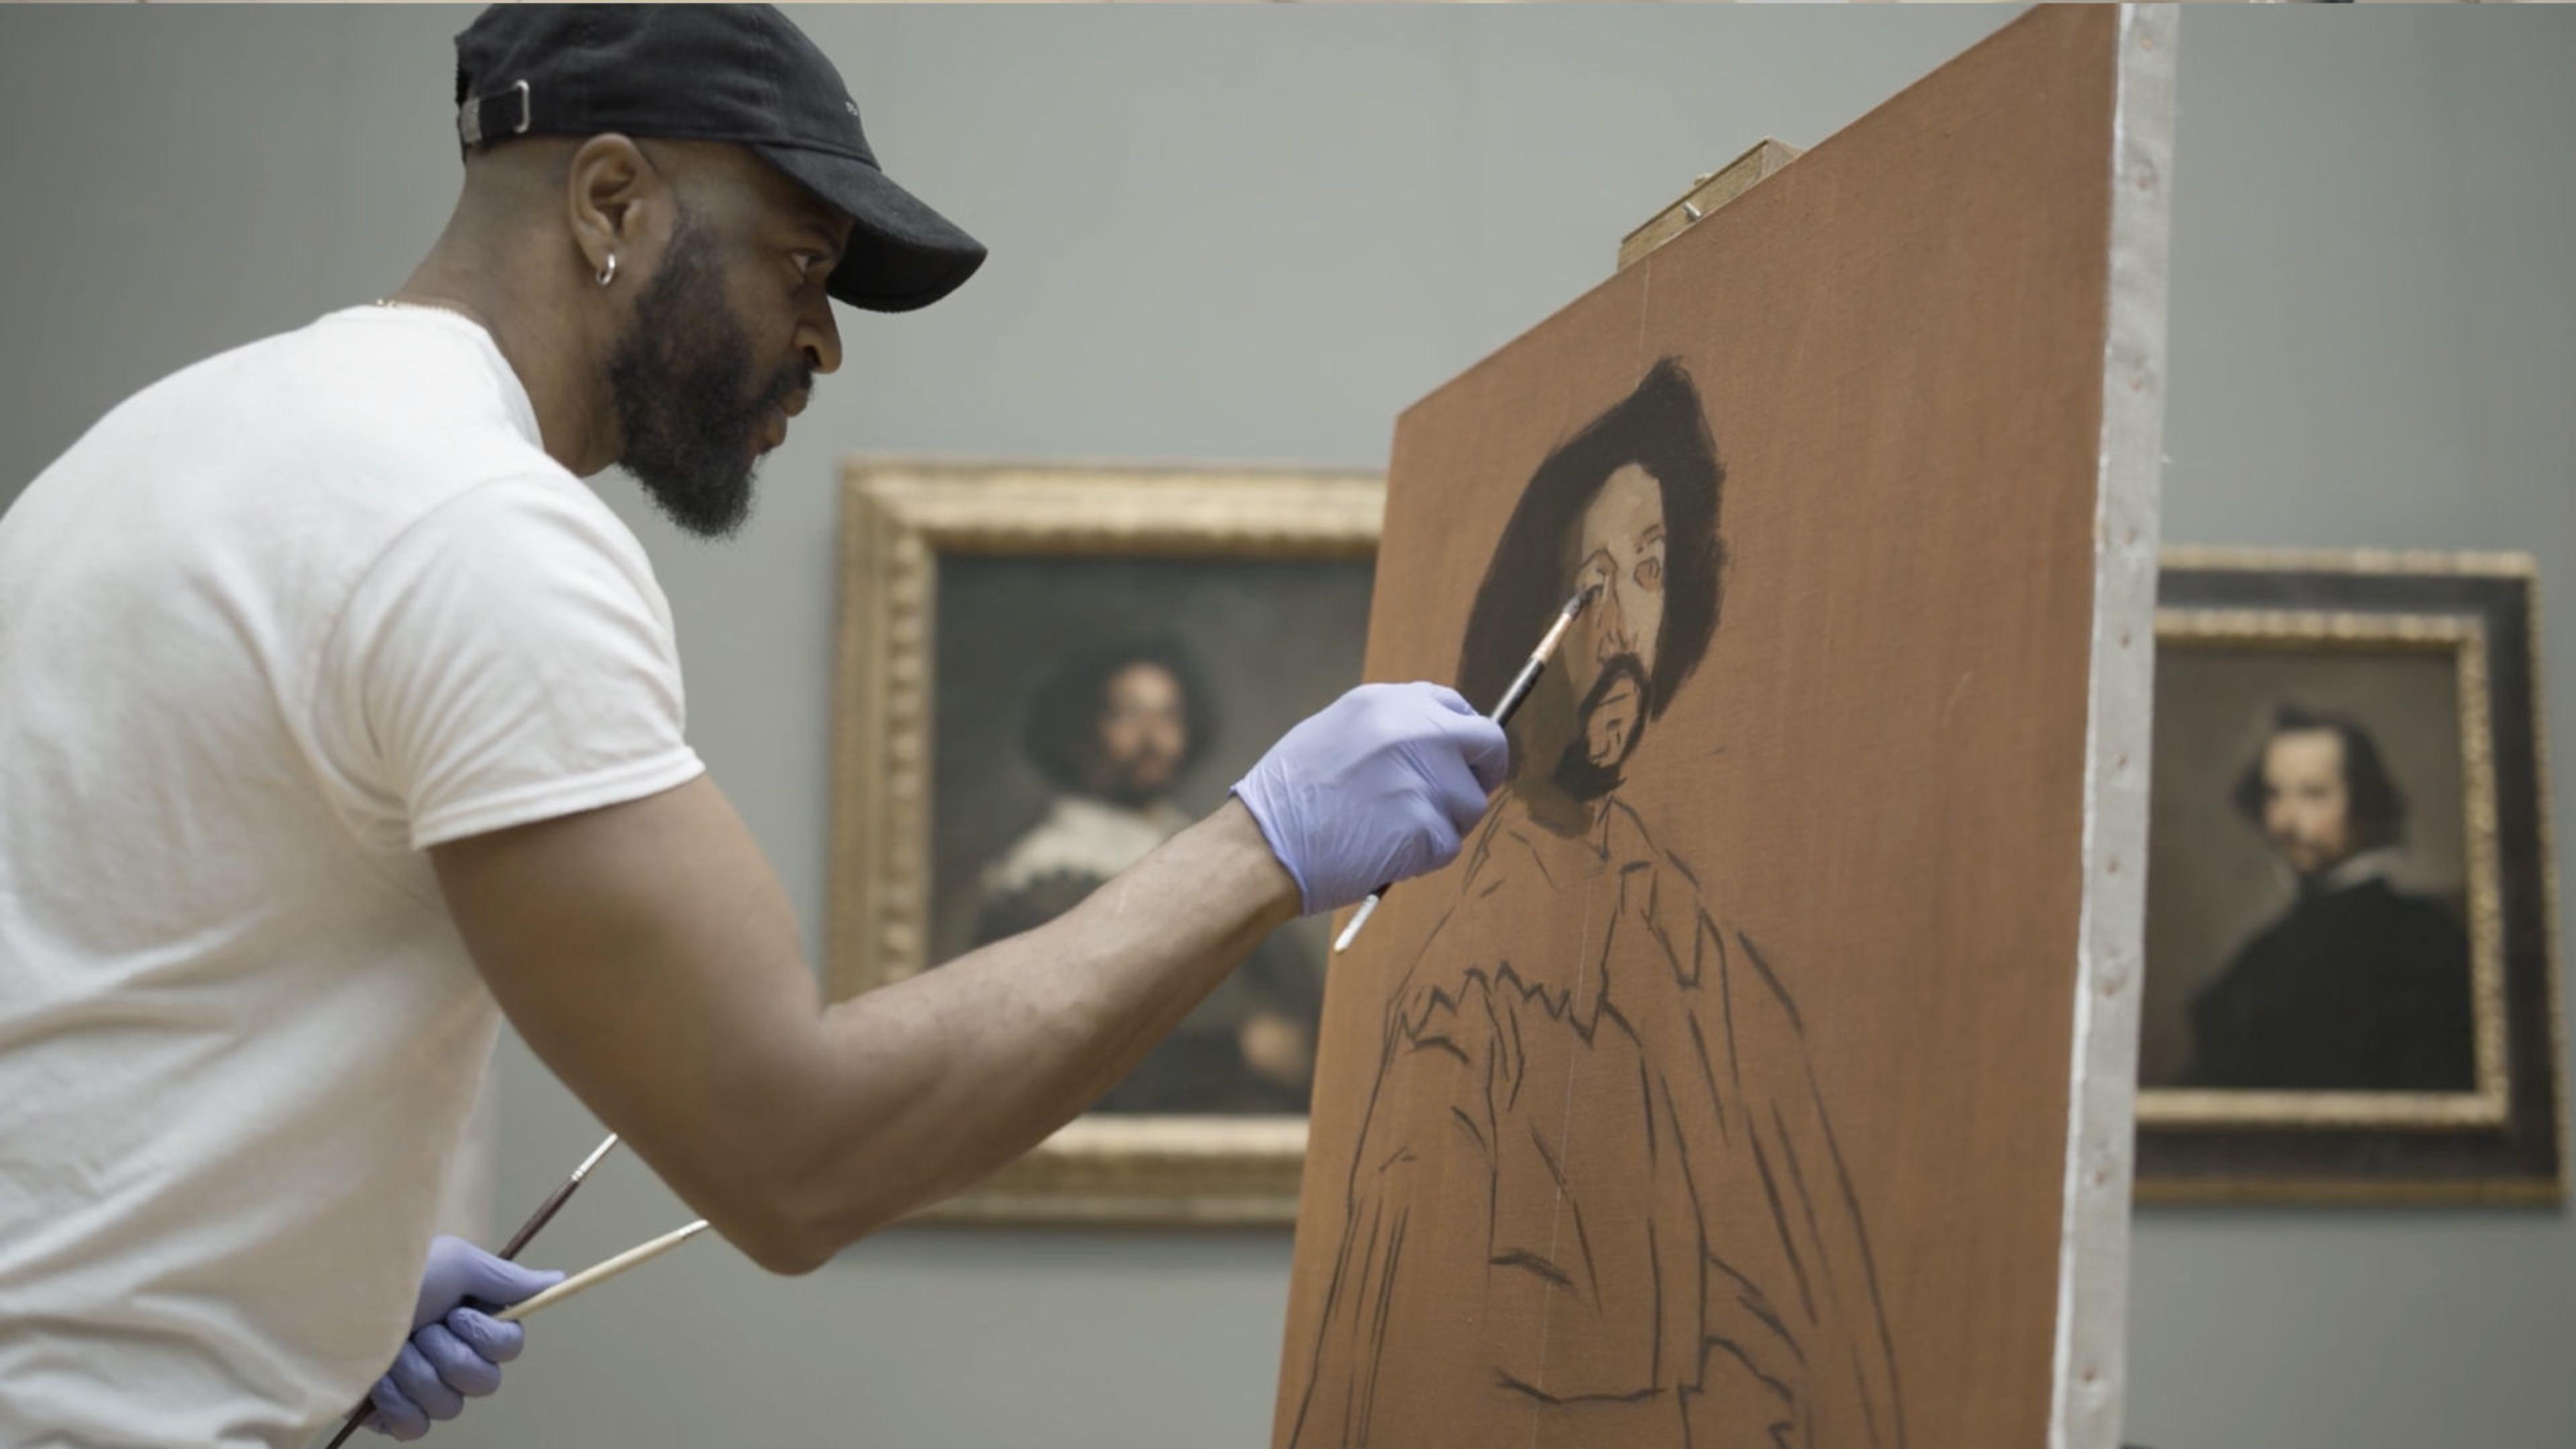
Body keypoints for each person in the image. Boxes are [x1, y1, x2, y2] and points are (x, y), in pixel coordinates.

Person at [0, 7, 1505, 1446]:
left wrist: (300, 1289)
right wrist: (1261, 845)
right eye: (801, 262)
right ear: (611, 201)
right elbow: (797, 1158)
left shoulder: (169, 448)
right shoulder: (470, 527)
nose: (825, 341)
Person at [1283, 360, 1902, 1449]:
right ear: (1533, 629)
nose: (1622, 631)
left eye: (1649, 573)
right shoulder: (1467, 997)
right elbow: (1405, 1392)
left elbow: (1839, 1341)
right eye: (1590, 587)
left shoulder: (1706, 959)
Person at [971, 639, 1320, 1114]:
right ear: (1079, 735)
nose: (1152, 738)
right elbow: (1071, 1045)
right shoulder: (1044, 879)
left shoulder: (1208, 847)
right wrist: (1235, 1052)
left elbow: (1298, 997)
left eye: (1168, 716)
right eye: (1127, 715)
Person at [2179, 705, 2475, 1091]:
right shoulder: (2263, 954)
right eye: (2274, 794)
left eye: (2314, 794)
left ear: (2366, 805)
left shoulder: (2427, 940)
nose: (2285, 821)